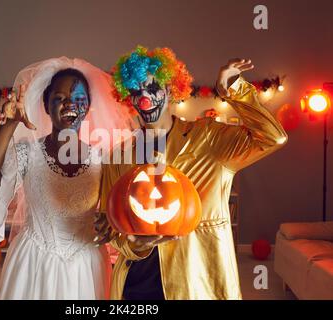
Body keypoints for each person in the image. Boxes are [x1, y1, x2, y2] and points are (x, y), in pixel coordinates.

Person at [95, 46, 288, 299]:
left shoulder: (208, 136)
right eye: (136, 91)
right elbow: (111, 227)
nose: (145, 98)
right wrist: (133, 246)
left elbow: (273, 138)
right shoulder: (118, 156)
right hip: (136, 283)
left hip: (197, 279)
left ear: (170, 90)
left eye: (153, 89)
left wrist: (234, 90)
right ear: (128, 98)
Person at [0, 57, 135, 299]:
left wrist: (111, 223)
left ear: (88, 107)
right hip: (34, 261)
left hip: (86, 265)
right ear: (46, 105)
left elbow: (117, 208)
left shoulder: (102, 158)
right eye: (60, 98)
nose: (69, 105)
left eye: (78, 99)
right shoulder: (27, 152)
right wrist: (10, 123)